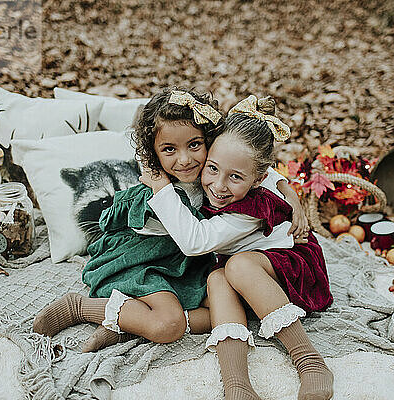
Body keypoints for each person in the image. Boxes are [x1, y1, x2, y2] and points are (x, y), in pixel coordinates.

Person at [33, 88, 303, 352]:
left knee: (233, 308)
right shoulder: (156, 189)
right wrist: (160, 191)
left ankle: (128, 324)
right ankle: (78, 307)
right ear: (154, 153)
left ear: (211, 141)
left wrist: (287, 190)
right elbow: (179, 237)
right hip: (143, 261)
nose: (185, 160)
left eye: (194, 145)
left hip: (187, 265)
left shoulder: (214, 171)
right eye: (169, 149)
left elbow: (251, 165)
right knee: (168, 324)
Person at [141, 95, 333, 400]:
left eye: (235, 177)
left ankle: (310, 361)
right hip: (250, 268)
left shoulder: (248, 209)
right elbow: (272, 174)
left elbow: (195, 242)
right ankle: (237, 386)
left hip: (292, 265)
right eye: (213, 169)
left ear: (256, 180)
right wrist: (290, 192)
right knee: (217, 278)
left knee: (236, 266)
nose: (219, 185)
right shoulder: (231, 169)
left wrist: (162, 189)